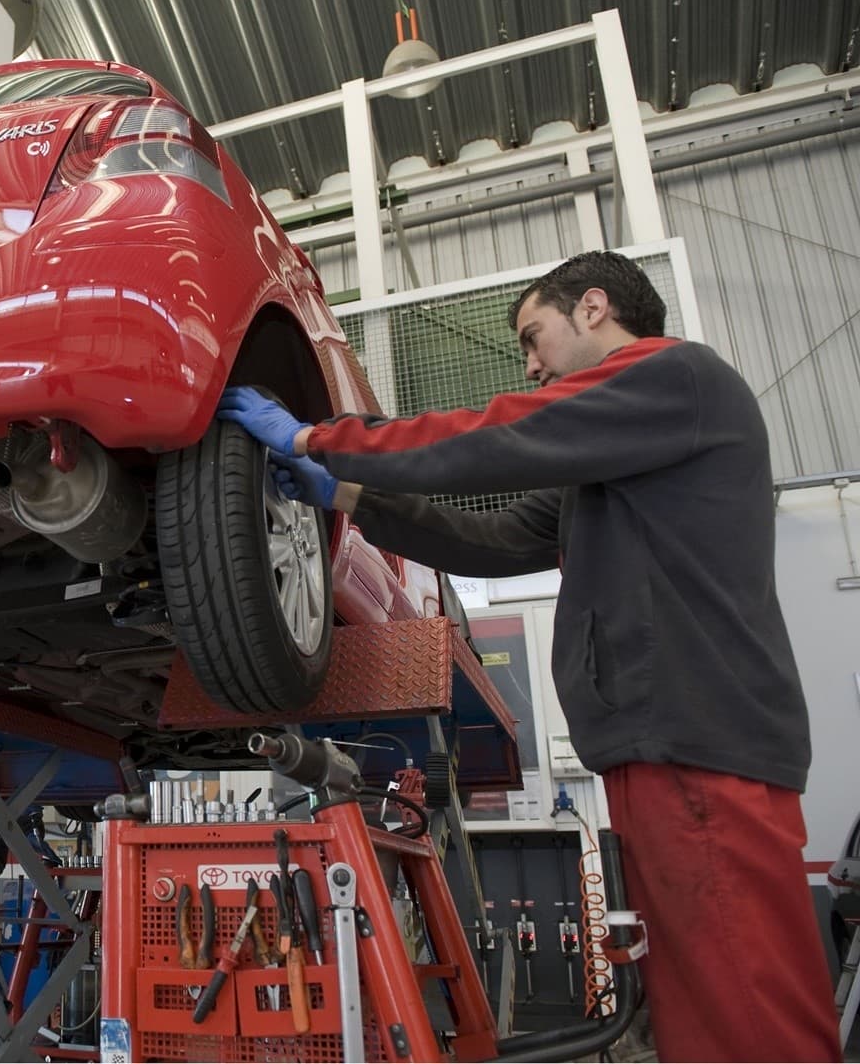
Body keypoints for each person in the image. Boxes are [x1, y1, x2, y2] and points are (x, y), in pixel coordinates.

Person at [217, 250, 840, 1062]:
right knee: (699, 1014)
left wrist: (320, 437)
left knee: (751, 1020)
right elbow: (499, 536)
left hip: (700, 747)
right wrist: (349, 494)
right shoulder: (616, 458)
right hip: (664, 755)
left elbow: (501, 435)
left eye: (533, 337)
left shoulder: (678, 378)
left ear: (592, 308)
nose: (533, 363)